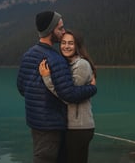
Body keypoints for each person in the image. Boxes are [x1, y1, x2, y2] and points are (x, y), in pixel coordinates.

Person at [17, 11, 97, 163]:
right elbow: (70, 95)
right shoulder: (56, 59)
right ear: (50, 30)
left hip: (34, 121)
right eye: (60, 28)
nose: (63, 31)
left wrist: (38, 97)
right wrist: (92, 88)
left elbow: (21, 88)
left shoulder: (28, 54)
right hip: (51, 124)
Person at [39, 29, 97, 163]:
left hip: (79, 127)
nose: (66, 46)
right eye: (63, 43)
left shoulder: (81, 64)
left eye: (71, 43)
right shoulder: (67, 64)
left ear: (77, 46)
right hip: (71, 126)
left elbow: (68, 96)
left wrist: (47, 78)